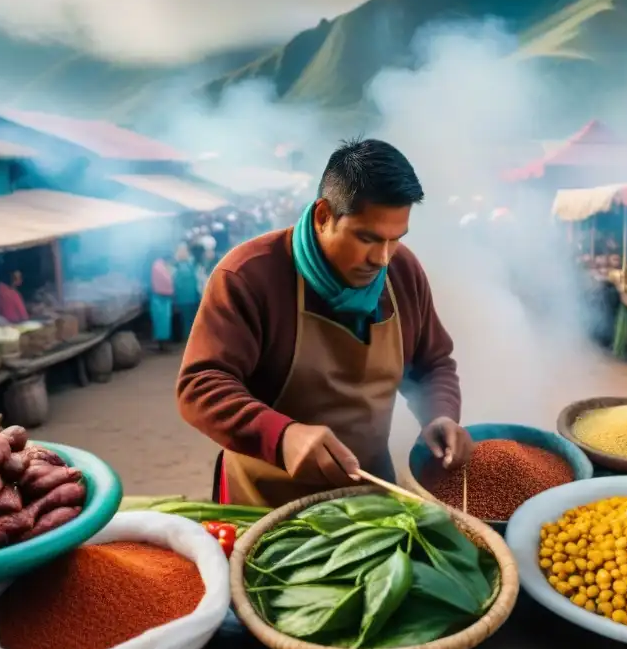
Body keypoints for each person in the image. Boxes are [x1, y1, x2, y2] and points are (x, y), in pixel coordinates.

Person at [177, 138, 472, 508]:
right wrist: (282, 435)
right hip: (264, 501)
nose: (382, 258)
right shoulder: (249, 275)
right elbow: (200, 385)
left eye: (395, 239)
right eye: (367, 238)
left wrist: (439, 414)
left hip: (367, 491)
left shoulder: (403, 271)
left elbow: (433, 364)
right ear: (323, 216)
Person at [172, 242, 201, 341]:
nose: (183, 253)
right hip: (182, 299)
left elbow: (197, 279)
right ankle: (188, 340)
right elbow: (174, 282)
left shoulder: (191, 264)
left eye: (185, 251)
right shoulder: (176, 266)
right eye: (181, 251)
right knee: (185, 321)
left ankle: (192, 339)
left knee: (193, 319)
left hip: (193, 297)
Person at [150, 252, 174, 350]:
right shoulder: (158, 267)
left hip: (161, 298)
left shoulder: (158, 265)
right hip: (160, 298)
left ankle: (163, 344)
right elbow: (166, 280)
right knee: (162, 323)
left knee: (163, 323)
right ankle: (163, 345)